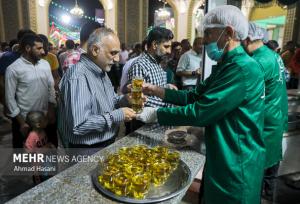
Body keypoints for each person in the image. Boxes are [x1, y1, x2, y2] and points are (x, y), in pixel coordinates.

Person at [136, 5, 266, 204]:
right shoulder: (226, 65)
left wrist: (156, 114)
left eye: (208, 33)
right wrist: (156, 90)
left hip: (237, 160)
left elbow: (201, 111)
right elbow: (194, 96)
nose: (204, 40)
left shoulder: (241, 69)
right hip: (222, 153)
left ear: (228, 33)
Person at [58, 27, 136, 150]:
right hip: (88, 149)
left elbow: (110, 101)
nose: (117, 59)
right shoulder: (78, 76)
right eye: (113, 53)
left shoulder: (101, 70)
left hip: (105, 142)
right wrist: (117, 115)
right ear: (95, 50)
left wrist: (125, 100)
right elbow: (79, 125)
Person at [242, 22, 288, 201]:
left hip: (264, 123)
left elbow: (247, 95)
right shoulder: (274, 55)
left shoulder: (258, 61)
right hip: (275, 119)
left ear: (246, 40)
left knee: (258, 176)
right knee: (270, 173)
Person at [5, 34, 56, 148]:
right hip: (26, 121)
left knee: (49, 153)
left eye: (42, 47)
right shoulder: (13, 69)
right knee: (27, 158)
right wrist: (22, 123)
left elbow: (50, 87)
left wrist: (51, 109)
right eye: (39, 48)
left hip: (46, 118)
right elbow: (9, 98)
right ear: (28, 48)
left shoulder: (45, 64)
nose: (43, 51)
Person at [127, 27, 175, 108]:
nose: (169, 51)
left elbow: (154, 87)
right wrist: (166, 105)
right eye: (166, 47)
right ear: (155, 45)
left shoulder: (158, 63)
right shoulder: (139, 65)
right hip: (146, 119)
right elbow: (136, 99)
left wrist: (166, 86)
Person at [24, 111, 55, 184]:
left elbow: (44, 143)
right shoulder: (32, 136)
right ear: (38, 125)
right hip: (39, 163)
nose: (47, 120)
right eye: (45, 120)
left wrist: (49, 145)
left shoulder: (42, 131)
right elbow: (28, 152)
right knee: (44, 180)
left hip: (47, 159)